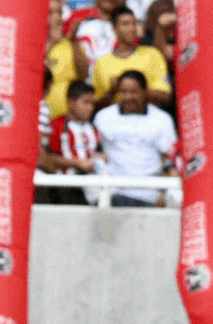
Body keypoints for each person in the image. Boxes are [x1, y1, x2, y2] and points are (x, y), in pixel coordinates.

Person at [93, 70, 176, 207]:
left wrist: (166, 193)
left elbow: (169, 158)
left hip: (150, 196)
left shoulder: (162, 119)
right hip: (113, 194)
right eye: (123, 92)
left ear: (145, 92)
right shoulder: (103, 117)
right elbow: (94, 152)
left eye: (133, 92)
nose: (128, 97)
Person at [91, 6, 169, 107]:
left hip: (148, 117)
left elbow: (166, 95)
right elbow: (96, 104)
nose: (132, 28)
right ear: (114, 28)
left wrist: (131, 88)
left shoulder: (152, 54)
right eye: (125, 24)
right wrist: (112, 91)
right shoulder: (101, 63)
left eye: (134, 23)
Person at [44, 81, 101, 205]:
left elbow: (97, 153)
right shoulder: (57, 126)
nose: (90, 107)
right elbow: (48, 158)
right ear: (70, 102)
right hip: (65, 188)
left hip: (92, 187)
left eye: (92, 103)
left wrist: (99, 157)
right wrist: (78, 163)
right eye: (85, 102)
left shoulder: (94, 128)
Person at [45, 0, 89, 121]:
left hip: (65, 124)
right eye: (50, 13)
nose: (57, 18)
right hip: (36, 121)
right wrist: (52, 42)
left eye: (59, 13)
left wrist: (73, 40)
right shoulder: (28, 43)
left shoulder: (70, 44)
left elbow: (84, 74)